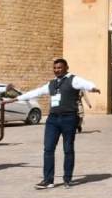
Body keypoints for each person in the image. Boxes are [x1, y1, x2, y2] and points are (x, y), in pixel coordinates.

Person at [14, 58, 99, 189]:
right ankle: (48, 180)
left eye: (59, 68)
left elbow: (85, 84)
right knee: (48, 149)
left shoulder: (73, 80)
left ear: (66, 68)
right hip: (52, 120)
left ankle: (67, 179)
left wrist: (93, 88)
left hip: (69, 119)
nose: (56, 70)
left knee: (68, 149)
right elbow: (36, 92)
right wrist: (16, 99)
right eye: (54, 68)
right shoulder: (51, 84)